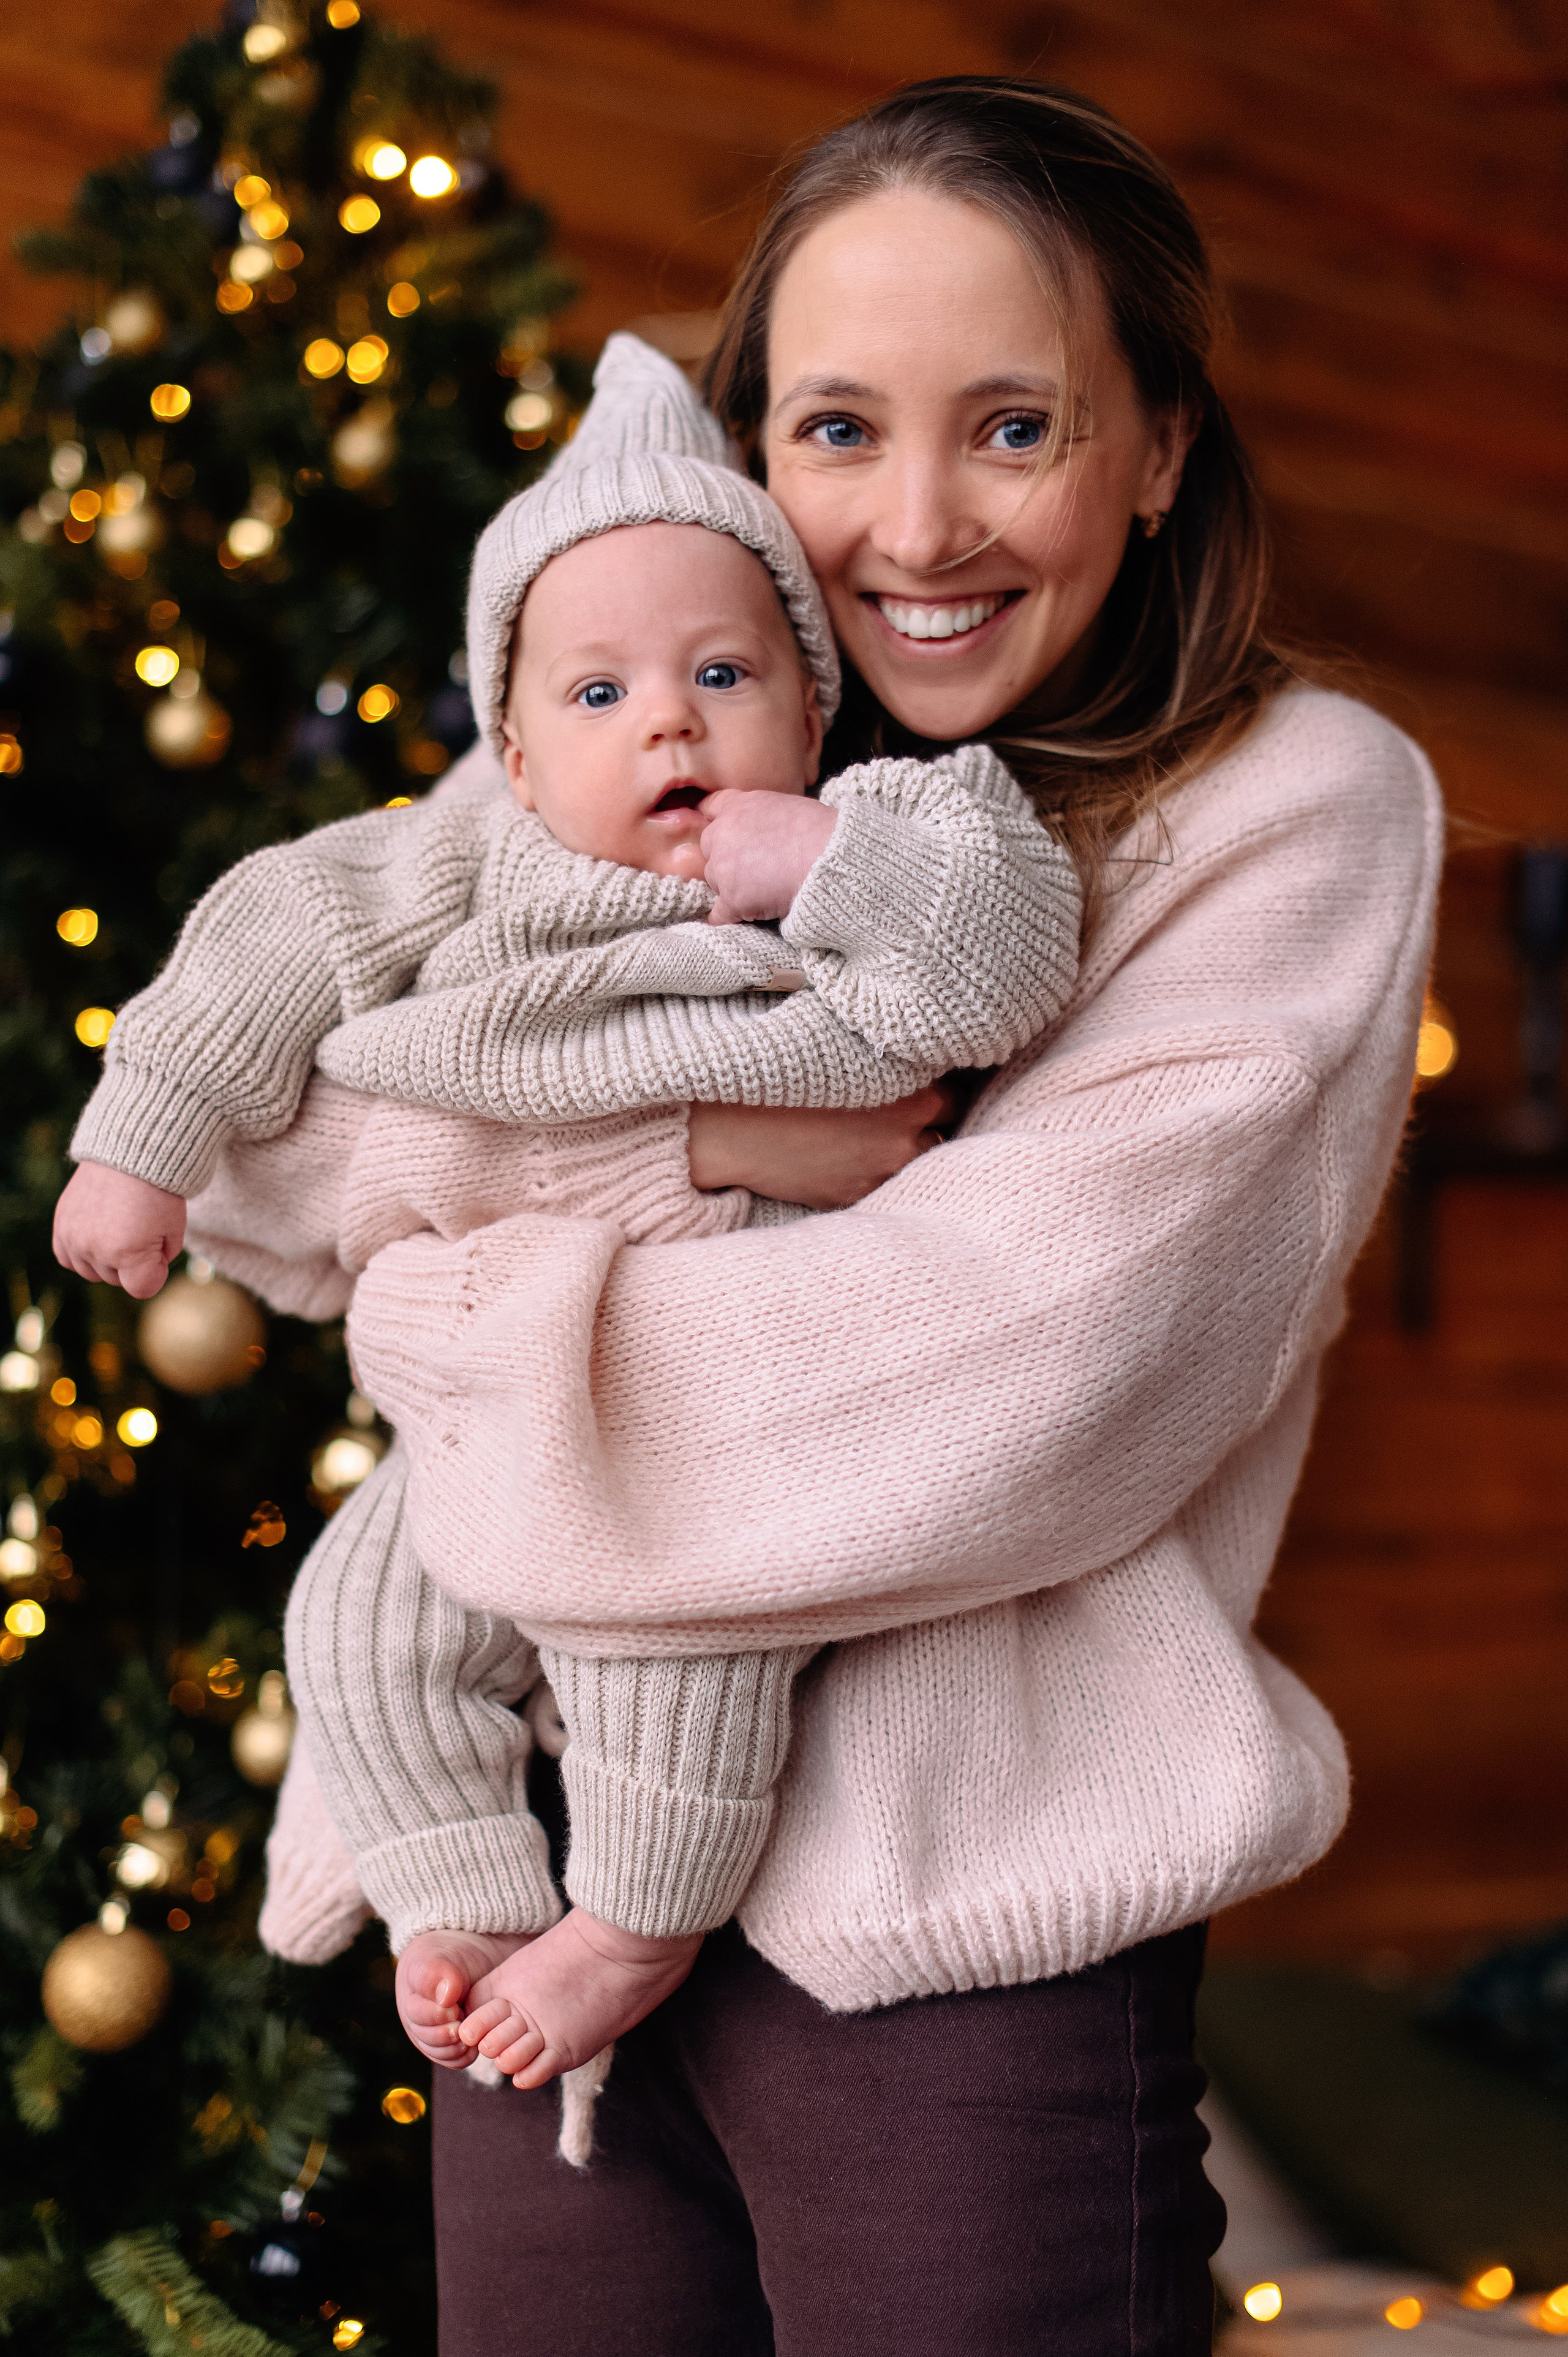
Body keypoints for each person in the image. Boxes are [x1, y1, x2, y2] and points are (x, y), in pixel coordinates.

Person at [320, 75, 1443, 2357]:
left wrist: (463, 1309)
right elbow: (295, 1168)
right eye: (836, 430)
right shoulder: (649, 717)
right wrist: (709, 1159)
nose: (914, 528)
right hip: (524, 1878)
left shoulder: (1294, 812)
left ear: (1157, 452)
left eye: (1013, 426)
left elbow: (1002, 1388)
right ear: (748, 453)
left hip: (950, 1938)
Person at [51, 334, 1080, 2113]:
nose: (669, 719)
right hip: (493, 1386)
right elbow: (271, 939)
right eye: (598, 696)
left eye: (723, 673)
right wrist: (145, 1134)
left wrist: (823, 868)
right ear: (512, 756)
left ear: (814, 710)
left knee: (673, 1654)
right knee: (359, 1628)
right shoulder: (462, 865)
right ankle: (457, 1898)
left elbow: (1005, 954)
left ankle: (631, 1922)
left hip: (719, 1408)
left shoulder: (877, 835)